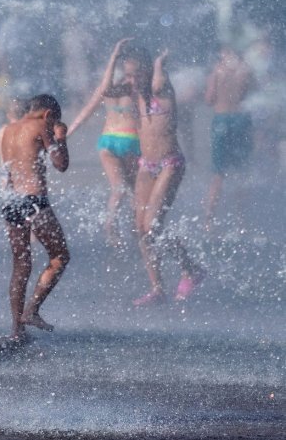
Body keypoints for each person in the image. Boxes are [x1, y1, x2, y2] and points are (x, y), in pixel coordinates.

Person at [128, 47, 206, 306]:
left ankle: (191, 269)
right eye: (128, 75)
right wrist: (116, 57)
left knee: (152, 226)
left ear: (147, 70)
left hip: (168, 163)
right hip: (145, 165)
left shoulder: (161, 87)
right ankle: (157, 288)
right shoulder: (134, 91)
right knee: (140, 228)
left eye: (135, 73)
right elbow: (105, 90)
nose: (131, 79)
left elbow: (157, 77)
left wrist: (159, 62)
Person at [0, 94, 70, 342]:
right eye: (53, 122)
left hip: (11, 202)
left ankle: (16, 329)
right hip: (33, 201)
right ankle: (32, 310)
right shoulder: (41, 126)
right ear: (48, 115)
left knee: (21, 265)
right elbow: (60, 163)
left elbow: (8, 173)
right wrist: (60, 137)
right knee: (60, 257)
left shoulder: (8, 130)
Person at [67, 38, 141, 247]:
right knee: (134, 188)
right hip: (130, 140)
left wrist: (68, 133)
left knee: (118, 188)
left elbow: (85, 112)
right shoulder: (134, 90)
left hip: (107, 141)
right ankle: (136, 230)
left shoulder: (107, 89)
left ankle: (111, 225)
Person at [202, 46, 255, 230]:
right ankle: (241, 220)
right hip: (241, 119)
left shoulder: (217, 71)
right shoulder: (245, 71)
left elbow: (209, 99)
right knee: (240, 171)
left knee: (218, 173)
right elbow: (247, 95)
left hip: (222, 119)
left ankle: (209, 220)